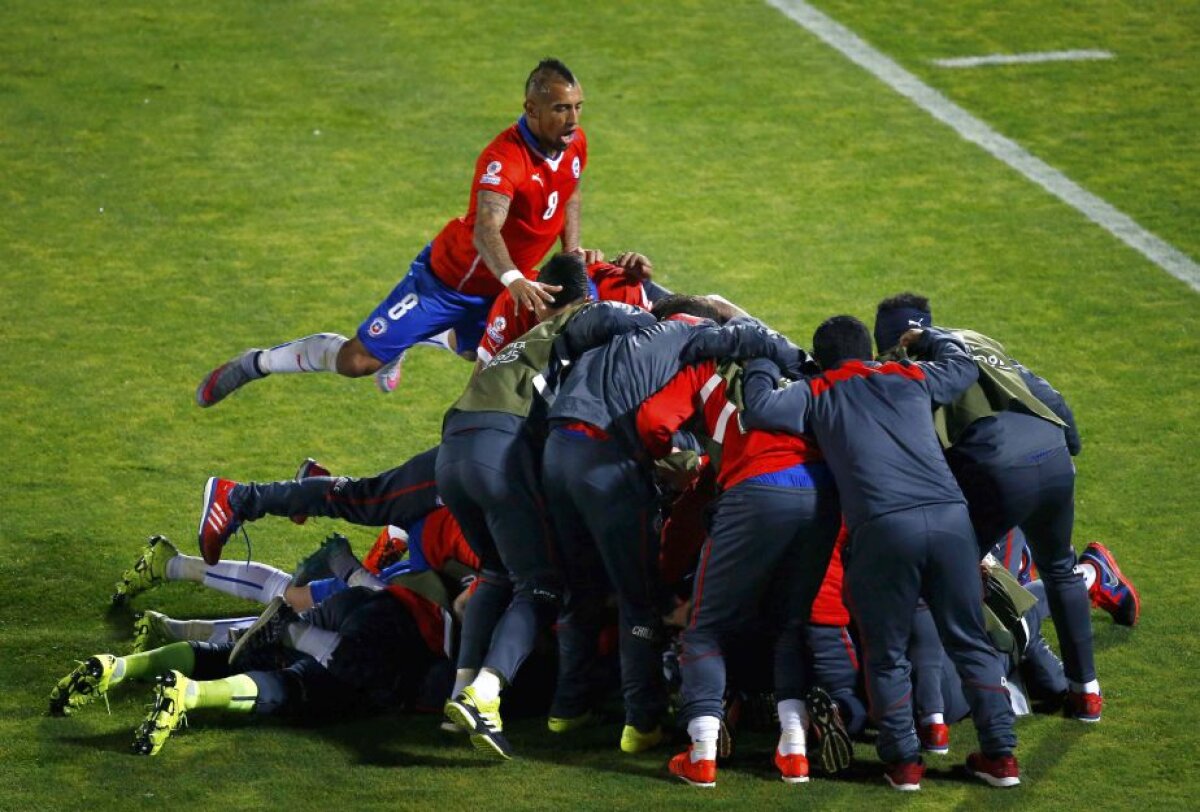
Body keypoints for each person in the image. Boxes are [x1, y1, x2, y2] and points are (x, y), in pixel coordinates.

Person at [685, 315, 1019, 790]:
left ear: (821, 359)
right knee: (968, 640)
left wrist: (760, 361)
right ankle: (1001, 757)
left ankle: (903, 764)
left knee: (885, 655)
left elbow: (758, 409)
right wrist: (929, 337)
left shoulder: (818, 390)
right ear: (868, 350)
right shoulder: (909, 376)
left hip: (883, 528)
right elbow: (963, 366)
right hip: (949, 520)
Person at [195, 58, 590, 406]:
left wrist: (571, 251)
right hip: (450, 281)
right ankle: (256, 363)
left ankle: (417, 337)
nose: (572, 120)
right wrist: (514, 278)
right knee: (358, 361)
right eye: (561, 109)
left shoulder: (572, 143)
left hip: (508, 287)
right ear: (531, 109)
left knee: (475, 353)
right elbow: (486, 230)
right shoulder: (504, 159)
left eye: (577, 108)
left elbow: (569, 189)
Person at [435, 254, 658, 759]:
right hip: (498, 454)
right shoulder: (579, 315)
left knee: (495, 572)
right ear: (584, 298)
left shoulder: (515, 346)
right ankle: (485, 694)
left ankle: (458, 697)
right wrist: (677, 323)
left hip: (450, 453)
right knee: (539, 585)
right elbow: (629, 320)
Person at [873, 292, 1103, 720]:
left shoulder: (899, 372)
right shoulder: (973, 339)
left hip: (996, 471)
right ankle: (1085, 691)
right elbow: (1043, 392)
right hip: (1051, 453)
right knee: (1059, 569)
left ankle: (994, 696)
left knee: (945, 576)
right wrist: (1068, 444)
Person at [634, 345, 844, 787]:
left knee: (706, 629)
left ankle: (703, 753)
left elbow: (654, 422)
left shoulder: (709, 371)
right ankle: (794, 752)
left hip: (756, 491)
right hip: (824, 495)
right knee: (788, 626)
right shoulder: (813, 380)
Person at [49, 585, 448, 756]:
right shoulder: (495, 589)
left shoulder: (450, 528)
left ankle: (118, 667)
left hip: (363, 598)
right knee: (298, 689)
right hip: (392, 637)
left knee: (229, 654)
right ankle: (190, 695)